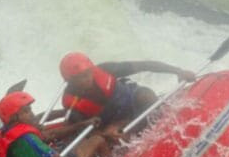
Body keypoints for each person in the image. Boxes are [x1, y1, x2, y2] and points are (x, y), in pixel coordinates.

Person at [58, 52, 196, 135]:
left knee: (145, 95)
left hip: (132, 100)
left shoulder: (105, 69)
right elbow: (86, 130)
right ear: (69, 80)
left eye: (87, 73)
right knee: (112, 134)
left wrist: (178, 71)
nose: (86, 79)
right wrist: (105, 133)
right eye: (79, 78)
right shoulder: (71, 103)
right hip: (115, 121)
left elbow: (145, 65)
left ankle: (167, 126)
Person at [0, 91, 103, 157]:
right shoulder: (27, 141)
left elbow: (49, 135)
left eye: (30, 109)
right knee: (97, 140)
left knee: (70, 139)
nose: (32, 114)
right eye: (26, 111)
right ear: (14, 118)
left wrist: (81, 124)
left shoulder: (9, 130)